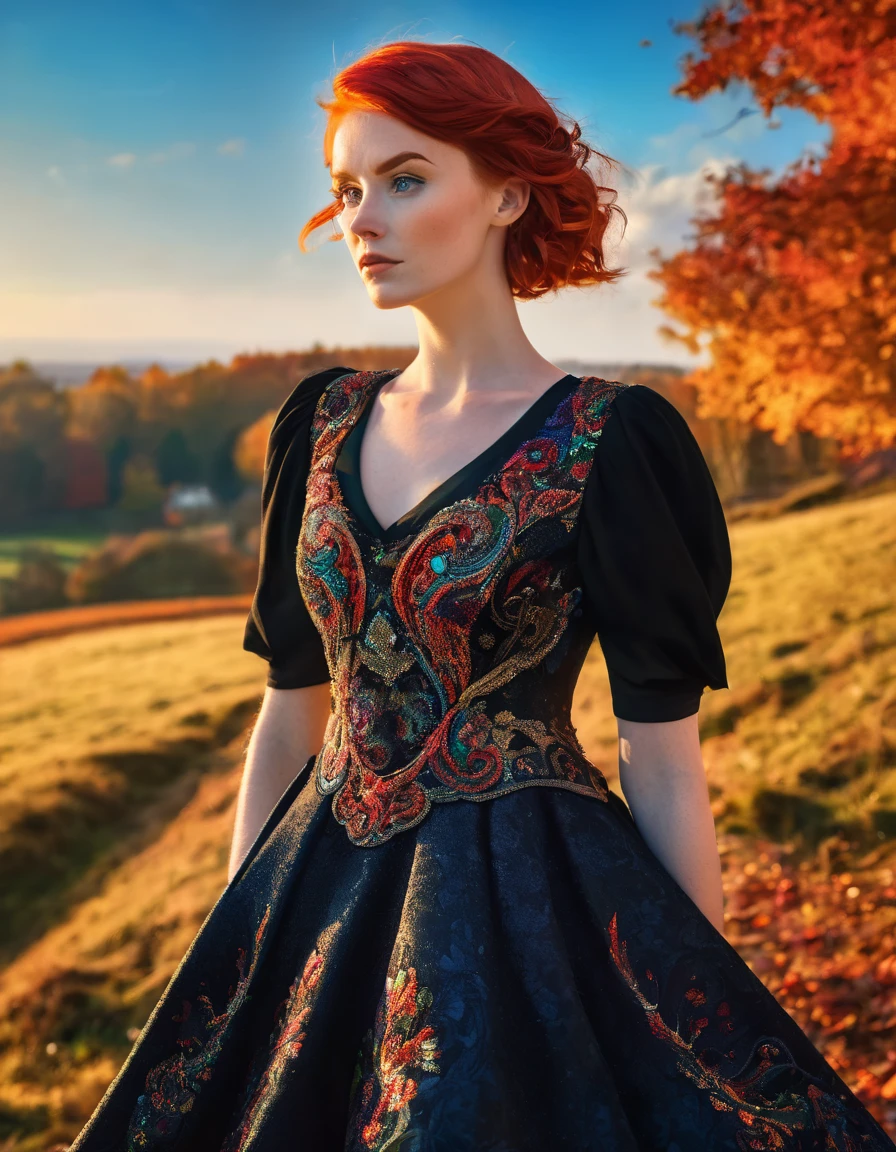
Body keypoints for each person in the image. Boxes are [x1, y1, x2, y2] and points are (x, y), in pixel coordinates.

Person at [70, 39, 895, 1152]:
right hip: (313, 883)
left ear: (506, 192)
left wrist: (691, 1016)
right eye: (347, 189)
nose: (362, 218)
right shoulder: (317, 424)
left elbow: (660, 750)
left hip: (531, 911)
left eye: (404, 180)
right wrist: (240, 946)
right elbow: (290, 707)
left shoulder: (610, 440)